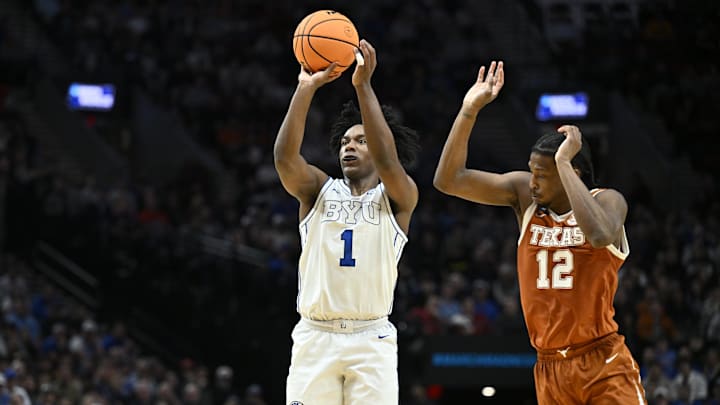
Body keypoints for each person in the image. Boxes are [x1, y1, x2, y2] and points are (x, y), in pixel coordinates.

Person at [433, 61, 647, 404]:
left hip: (602, 361)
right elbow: (448, 181)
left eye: (541, 174)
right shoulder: (524, 197)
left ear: (571, 172)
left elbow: (600, 236)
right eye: (531, 172)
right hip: (548, 367)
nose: (531, 182)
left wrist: (563, 165)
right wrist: (468, 111)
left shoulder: (607, 200)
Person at [274, 39, 420, 404]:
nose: (348, 146)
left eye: (360, 140)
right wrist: (304, 89)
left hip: (371, 339)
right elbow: (284, 158)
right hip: (315, 335)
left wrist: (363, 85)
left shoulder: (398, 197)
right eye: (343, 142)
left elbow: (389, 161)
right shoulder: (317, 190)